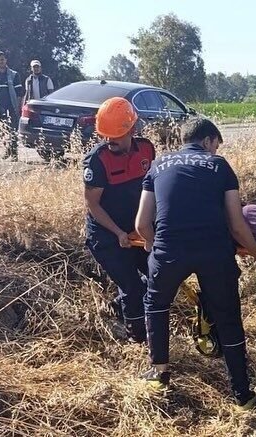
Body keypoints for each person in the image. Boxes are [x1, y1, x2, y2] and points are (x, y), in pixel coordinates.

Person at [135, 118, 256, 410]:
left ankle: (159, 374)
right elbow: (236, 224)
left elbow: (141, 223)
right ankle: (242, 393)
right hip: (213, 251)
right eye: (216, 145)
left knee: (156, 305)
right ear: (207, 141)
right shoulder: (220, 166)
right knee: (228, 317)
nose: (216, 151)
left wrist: (154, 245)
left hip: (169, 250)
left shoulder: (157, 165)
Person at [83, 97, 155, 343]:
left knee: (160, 275)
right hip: (107, 235)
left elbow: (152, 189)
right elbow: (93, 204)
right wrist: (118, 233)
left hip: (137, 230)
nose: (110, 141)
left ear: (132, 130)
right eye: (106, 136)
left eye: (116, 137)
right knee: (131, 288)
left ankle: (117, 306)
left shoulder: (146, 149)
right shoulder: (97, 160)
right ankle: (137, 339)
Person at [0, 51, 24, 161]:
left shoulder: (14, 74)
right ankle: (7, 150)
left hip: (11, 106)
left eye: (2, 59)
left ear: (6, 60)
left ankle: (14, 154)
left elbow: (19, 93)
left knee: (12, 130)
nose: (1, 62)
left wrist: (18, 106)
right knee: (2, 130)